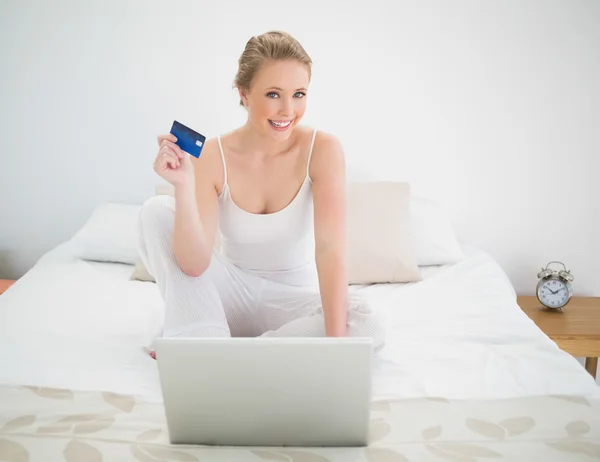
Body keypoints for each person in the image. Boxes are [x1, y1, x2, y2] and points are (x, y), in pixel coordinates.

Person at [138, 31, 385, 357]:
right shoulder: (214, 154)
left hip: (292, 302)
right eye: (273, 94)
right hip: (229, 294)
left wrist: (335, 347)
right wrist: (183, 186)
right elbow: (195, 265)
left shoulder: (322, 149)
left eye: (299, 94)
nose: (288, 110)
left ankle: (217, 348)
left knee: (368, 322)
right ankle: (206, 334)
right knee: (156, 211)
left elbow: (330, 250)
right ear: (243, 93)